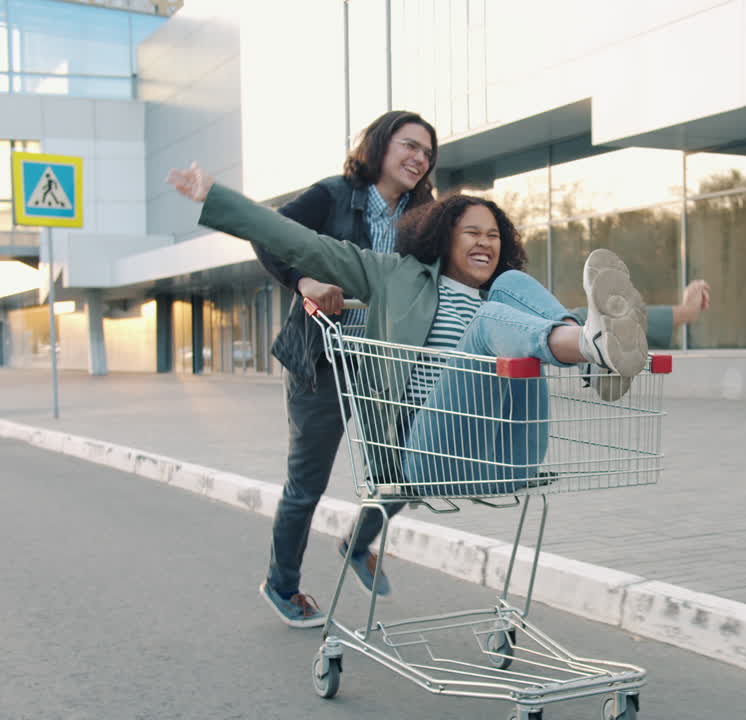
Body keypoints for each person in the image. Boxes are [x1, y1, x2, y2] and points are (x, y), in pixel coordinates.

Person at [167, 164, 679, 619]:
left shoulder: (502, 290)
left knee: (513, 290)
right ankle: (594, 350)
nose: (486, 242)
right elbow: (302, 243)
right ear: (441, 234)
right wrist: (218, 197)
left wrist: (678, 315)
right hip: (427, 454)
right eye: (472, 232)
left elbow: (557, 307)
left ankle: (599, 351)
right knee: (493, 320)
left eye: (495, 235)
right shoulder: (393, 277)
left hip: (509, 454)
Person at [249, 110, 438, 628]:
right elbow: (268, 235)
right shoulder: (332, 196)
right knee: (306, 484)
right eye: (409, 145)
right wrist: (302, 280)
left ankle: (356, 544)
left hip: (385, 366)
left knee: (412, 469)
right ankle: (281, 585)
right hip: (323, 361)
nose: (418, 158)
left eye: (426, 152)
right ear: (379, 146)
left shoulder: (424, 217)